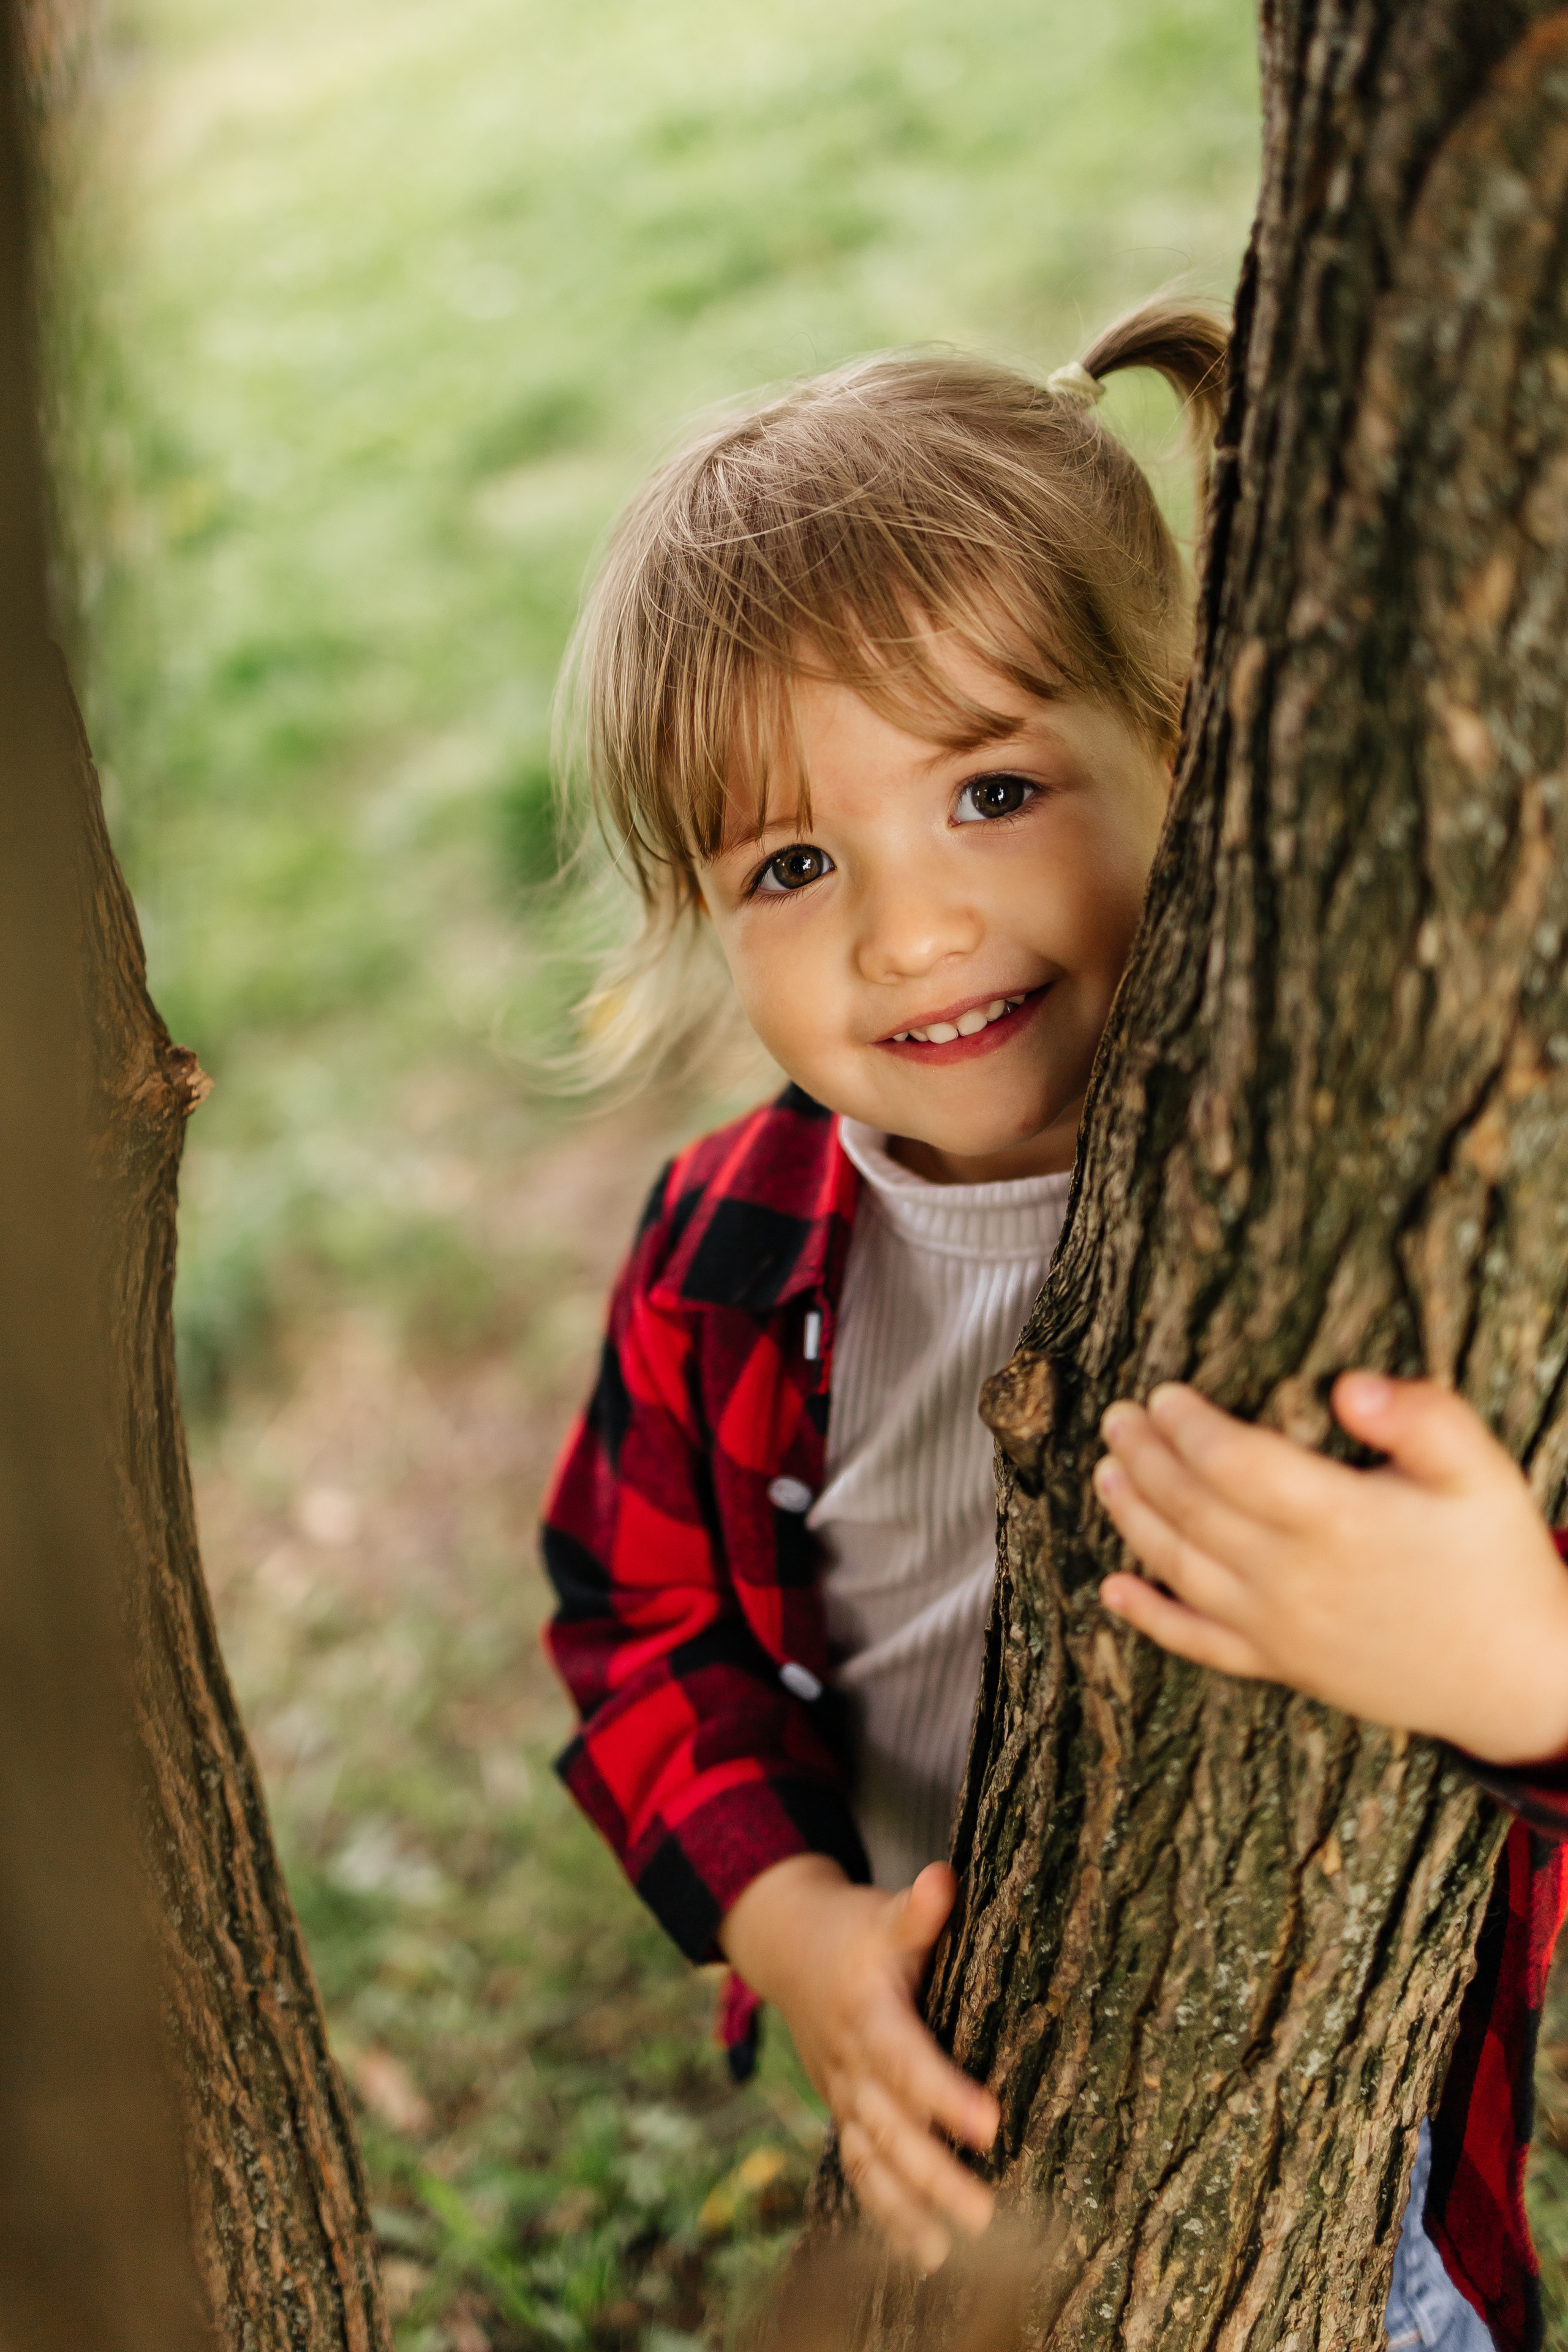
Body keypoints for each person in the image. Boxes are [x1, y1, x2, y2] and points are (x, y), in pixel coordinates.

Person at [538, 302, 1568, 2351]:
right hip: (957, 2093)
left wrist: (1523, 1670)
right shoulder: (726, 1248)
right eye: (795, 860)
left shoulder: (1376, 1219)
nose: (908, 931)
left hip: (1320, 2168)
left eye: (994, 792)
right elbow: (635, 1626)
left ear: (1184, 747)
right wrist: (795, 1922)